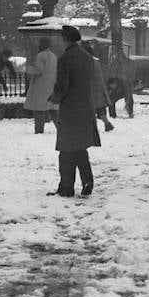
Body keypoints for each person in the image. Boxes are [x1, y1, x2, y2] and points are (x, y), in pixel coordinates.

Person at [48, 25, 101, 197]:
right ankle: (87, 182)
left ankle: (66, 187)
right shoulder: (87, 57)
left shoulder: (65, 58)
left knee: (66, 151)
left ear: (64, 39)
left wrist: (54, 98)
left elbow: (62, 86)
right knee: (79, 148)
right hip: (85, 106)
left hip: (70, 108)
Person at [23, 38, 58, 134]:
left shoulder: (40, 56)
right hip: (51, 85)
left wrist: (29, 69)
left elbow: (39, 70)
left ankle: (39, 129)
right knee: (53, 109)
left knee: (38, 109)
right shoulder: (53, 56)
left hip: (40, 86)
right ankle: (60, 128)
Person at [81, 41, 114, 132]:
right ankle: (107, 124)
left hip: (92, 90)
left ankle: (92, 128)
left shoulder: (88, 62)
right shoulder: (95, 61)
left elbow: (86, 76)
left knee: (89, 110)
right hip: (99, 89)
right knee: (100, 109)